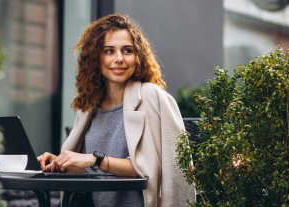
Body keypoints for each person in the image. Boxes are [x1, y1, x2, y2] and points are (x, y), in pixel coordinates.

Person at [37, 14, 195, 207]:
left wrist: (95, 160)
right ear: (96, 58)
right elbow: (93, 171)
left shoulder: (153, 97)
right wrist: (63, 163)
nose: (119, 59)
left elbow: (150, 169)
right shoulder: (88, 108)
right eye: (109, 51)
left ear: (138, 57)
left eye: (127, 50)